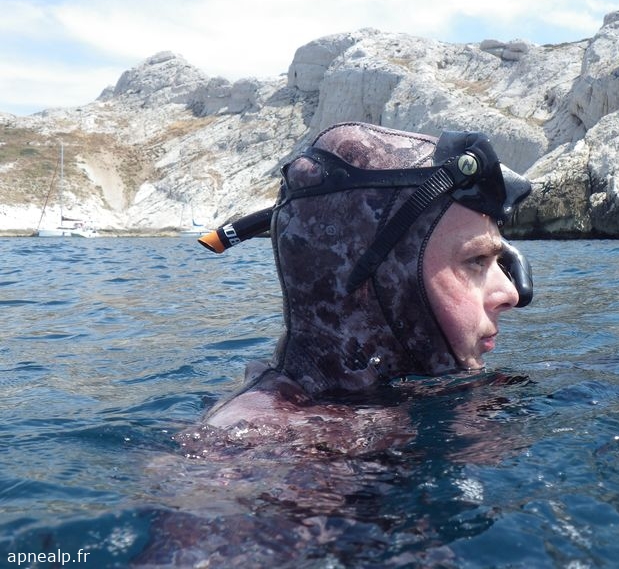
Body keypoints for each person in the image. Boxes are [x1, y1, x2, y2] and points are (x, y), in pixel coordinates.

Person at [199, 121, 533, 435]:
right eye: (475, 261)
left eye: (498, 261)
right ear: (382, 281)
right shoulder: (266, 444)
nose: (510, 293)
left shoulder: (377, 403)